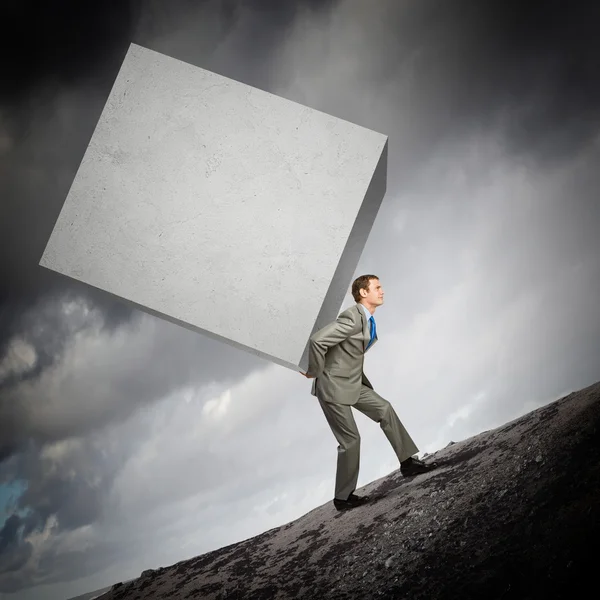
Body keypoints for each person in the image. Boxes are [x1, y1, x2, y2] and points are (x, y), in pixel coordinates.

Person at [301, 274, 437, 511]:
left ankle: (408, 463)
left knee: (384, 409)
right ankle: (343, 498)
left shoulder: (367, 320)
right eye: (377, 287)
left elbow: (350, 355)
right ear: (364, 293)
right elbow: (317, 342)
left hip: (353, 383)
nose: (382, 291)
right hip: (333, 387)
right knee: (350, 441)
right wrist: (314, 371)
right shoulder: (352, 318)